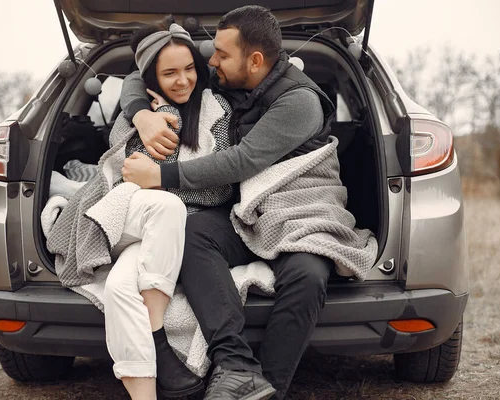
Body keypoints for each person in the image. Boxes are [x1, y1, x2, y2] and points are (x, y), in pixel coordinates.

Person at [121, 5, 376, 400]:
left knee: (308, 275)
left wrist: (161, 177)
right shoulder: (228, 79)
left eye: (221, 54)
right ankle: (236, 365)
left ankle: (267, 390)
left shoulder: (300, 101)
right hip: (248, 214)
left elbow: (243, 161)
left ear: (254, 61)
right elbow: (140, 77)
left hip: (301, 212)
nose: (211, 61)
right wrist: (141, 116)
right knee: (191, 232)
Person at [48, 21, 239, 400]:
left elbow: (220, 186)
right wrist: (143, 116)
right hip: (124, 210)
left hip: (157, 223)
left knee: (121, 287)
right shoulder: (134, 113)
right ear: (150, 75)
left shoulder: (217, 111)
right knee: (167, 206)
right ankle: (158, 338)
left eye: (188, 69)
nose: (183, 80)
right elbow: (122, 170)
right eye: (169, 73)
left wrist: (160, 176)